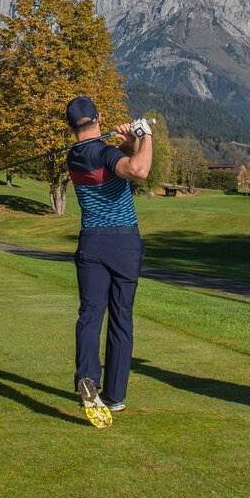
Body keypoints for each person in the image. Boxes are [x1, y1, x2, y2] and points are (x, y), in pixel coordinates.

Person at [64, 95, 151, 428]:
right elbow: (139, 170)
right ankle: (115, 395)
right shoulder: (103, 152)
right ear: (98, 117)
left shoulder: (76, 156)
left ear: (72, 126)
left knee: (90, 314)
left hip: (91, 242)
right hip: (124, 242)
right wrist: (144, 136)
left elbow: (115, 169)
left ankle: (87, 376)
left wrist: (127, 147)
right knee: (121, 317)